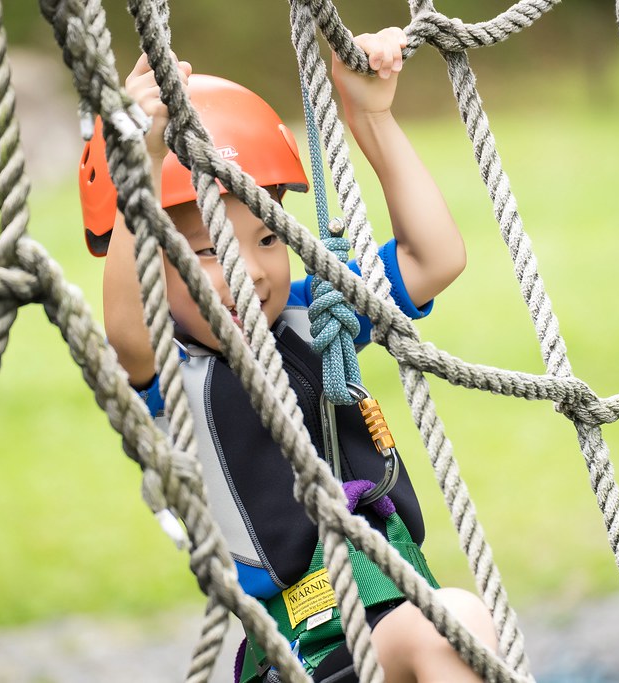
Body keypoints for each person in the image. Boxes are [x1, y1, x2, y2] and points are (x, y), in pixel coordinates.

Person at [82, 27, 496, 683]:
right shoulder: (171, 380)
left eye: (268, 237)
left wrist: (372, 117)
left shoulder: (312, 317)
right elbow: (128, 328)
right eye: (211, 250)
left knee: (455, 625)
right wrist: (137, 154)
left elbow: (433, 257)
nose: (250, 270)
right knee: (454, 625)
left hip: (384, 625)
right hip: (302, 656)